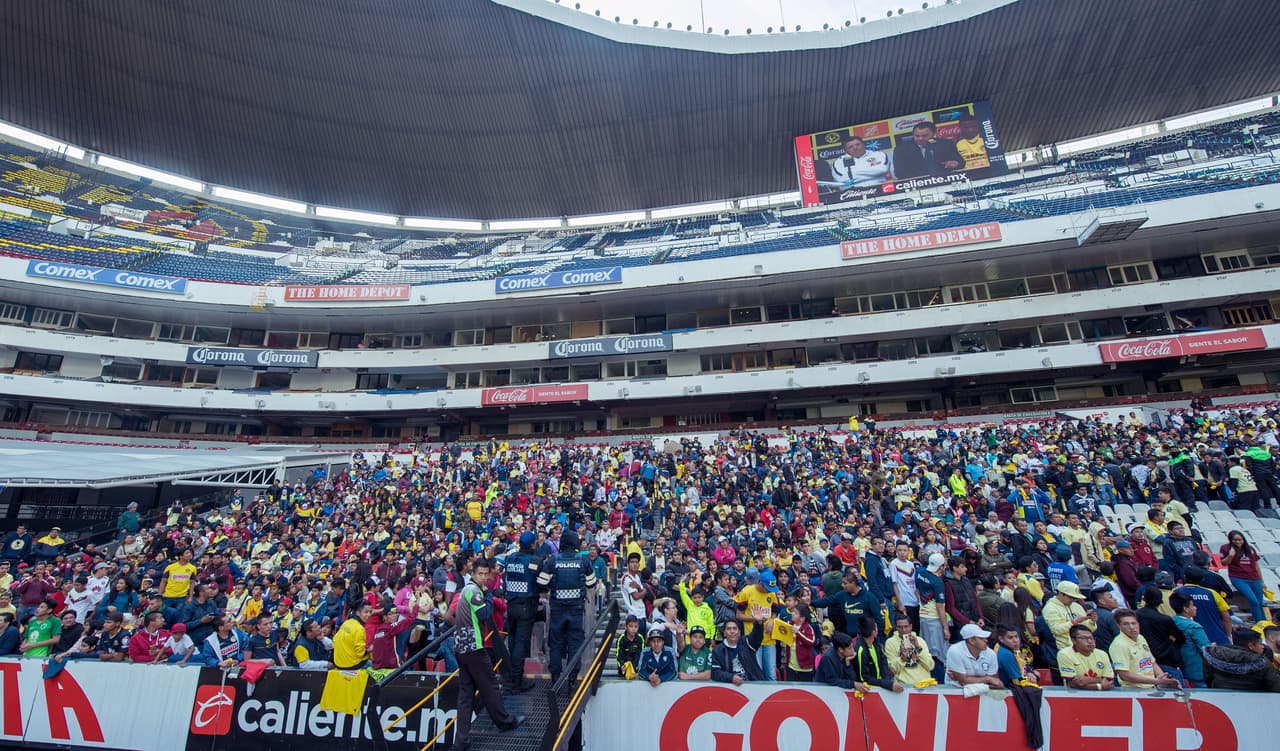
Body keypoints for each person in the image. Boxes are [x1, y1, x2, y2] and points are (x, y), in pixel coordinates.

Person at [450, 558, 522, 751]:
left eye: (485, 574)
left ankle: (461, 740)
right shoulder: (474, 591)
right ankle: (504, 721)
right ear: (473, 574)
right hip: (474, 647)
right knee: (489, 684)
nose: (483, 578)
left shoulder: (465, 590)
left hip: (461, 646)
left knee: (466, 694)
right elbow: (485, 614)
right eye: (479, 574)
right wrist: (489, 594)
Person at [536, 530, 598, 683]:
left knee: (556, 643)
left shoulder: (552, 561)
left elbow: (541, 583)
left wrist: (553, 586)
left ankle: (556, 677)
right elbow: (592, 583)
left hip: (557, 608)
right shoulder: (583, 561)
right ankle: (572, 677)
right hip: (576, 609)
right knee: (575, 644)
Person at [501, 531, 540, 693]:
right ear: (532, 544)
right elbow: (541, 582)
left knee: (512, 642)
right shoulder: (534, 560)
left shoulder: (510, 559)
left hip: (511, 605)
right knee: (520, 645)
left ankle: (512, 677)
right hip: (526, 606)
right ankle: (516, 682)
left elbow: (505, 579)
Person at [1108, 608, 1181, 689]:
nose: (1131, 627)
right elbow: (1124, 675)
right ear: (1119, 626)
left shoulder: (1140, 638)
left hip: (1151, 687)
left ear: (1138, 623)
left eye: (1133, 623)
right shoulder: (1119, 645)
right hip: (1132, 690)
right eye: (1126, 624)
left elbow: (1151, 662)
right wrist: (1156, 681)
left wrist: (1162, 677)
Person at [733, 567, 781, 681]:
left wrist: (772, 620)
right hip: (753, 641)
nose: (769, 591)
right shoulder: (747, 592)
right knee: (756, 674)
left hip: (770, 639)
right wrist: (754, 619)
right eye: (768, 588)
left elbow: (775, 611)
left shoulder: (772, 594)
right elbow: (738, 615)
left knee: (771, 674)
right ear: (760, 583)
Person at [1202, 628, 1280, 692]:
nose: (1262, 647)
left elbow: (1208, 678)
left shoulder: (1213, 654)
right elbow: (1275, 687)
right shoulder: (1263, 663)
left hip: (1220, 699)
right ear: (1251, 645)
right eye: (1260, 644)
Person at [1175, 567, 1233, 646]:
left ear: (1184, 577)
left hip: (1191, 643)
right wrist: (1229, 637)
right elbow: (1226, 618)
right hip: (1217, 640)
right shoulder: (1212, 593)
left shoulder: (1176, 593)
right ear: (1202, 579)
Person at [1221, 530, 1267, 622]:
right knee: (1253, 601)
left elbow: (1256, 565)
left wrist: (1262, 581)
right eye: (1235, 540)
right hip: (1238, 578)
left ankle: (1264, 622)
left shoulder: (1250, 548)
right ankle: (1259, 622)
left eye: (1240, 540)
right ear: (1231, 540)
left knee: (1260, 603)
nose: (1238, 542)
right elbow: (1223, 563)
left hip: (1254, 577)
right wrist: (1230, 555)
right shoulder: (1225, 548)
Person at [892, 121, 964, 179]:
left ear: (933, 134)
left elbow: (961, 162)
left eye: (925, 136)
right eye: (917, 136)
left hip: (946, 181)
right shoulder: (901, 150)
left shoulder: (945, 144)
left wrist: (955, 163)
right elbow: (899, 173)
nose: (920, 138)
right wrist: (926, 179)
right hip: (917, 186)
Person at [853, 616, 904, 692]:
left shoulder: (876, 644)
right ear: (873, 632)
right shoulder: (860, 651)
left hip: (882, 685)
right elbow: (864, 678)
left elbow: (884, 663)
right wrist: (886, 684)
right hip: (869, 690)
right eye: (876, 628)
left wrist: (887, 682)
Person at [1058, 624, 1115, 690]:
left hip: (1101, 695)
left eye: (1091, 638)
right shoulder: (1064, 654)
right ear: (1073, 640)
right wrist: (1100, 685)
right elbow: (1072, 683)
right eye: (1084, 638)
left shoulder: (1102, 654)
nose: (1090, 641)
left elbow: (1109, 681)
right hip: (1074, 695)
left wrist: (1088, 680)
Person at [1169, 592, 1209, 687]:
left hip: (1178, 667)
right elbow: (1205, 648)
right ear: (1186, 609)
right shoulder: (1194, 627)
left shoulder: (1171, 622)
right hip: (1196, 670)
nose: (1195, 608)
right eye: (1193, 605)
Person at [944, 624, 1002, 689]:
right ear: (971, 640)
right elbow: (963, 681)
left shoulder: (991, 653)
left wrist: (967, 678)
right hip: (954, 691)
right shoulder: (955, 651)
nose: (986, 640)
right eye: (981, 638)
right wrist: (987, 679)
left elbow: (993, 680)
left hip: (983, 691)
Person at [1043, 581, 1096, 652]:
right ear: (1061, 594)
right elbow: (1056, 630)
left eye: (1075, 598)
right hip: (1065, 649)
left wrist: (1091, 621)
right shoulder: (1050, 608)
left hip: (1084, 646)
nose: (1073, 600)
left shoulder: (1076, 606)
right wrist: (1074, 622)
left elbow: (1087, 629)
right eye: (1070, 597)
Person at [885, 612, 936, 686]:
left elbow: (930, 666)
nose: (903, 630)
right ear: (896, 627)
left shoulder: (920, 641)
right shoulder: (890, 643)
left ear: (911, 627)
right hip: (904, 685)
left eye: (906, 626)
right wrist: (902, 659)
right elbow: (892, 669)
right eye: (900, 627)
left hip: (924, 684)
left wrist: (918, 648)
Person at [993, 624, 1038, 688]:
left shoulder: (1002, 647)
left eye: (1016, 637)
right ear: (1001, 639)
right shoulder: (1006, 654)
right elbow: (1017, 681)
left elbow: (1024, 666)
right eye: (1010, 638)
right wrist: (1035, 677)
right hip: (1009, 690)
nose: (1015, 641)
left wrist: (1029, 672)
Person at [334, 601, 373, 669]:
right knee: (376, 666)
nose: (369, 615)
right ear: (358, 613)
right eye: (366, 612)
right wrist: (370, 649)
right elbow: (361, 654)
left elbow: (334, 640)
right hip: (352, 664)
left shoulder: (347, 622)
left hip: (338, 662)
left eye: (370, 612)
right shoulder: (359, 629)